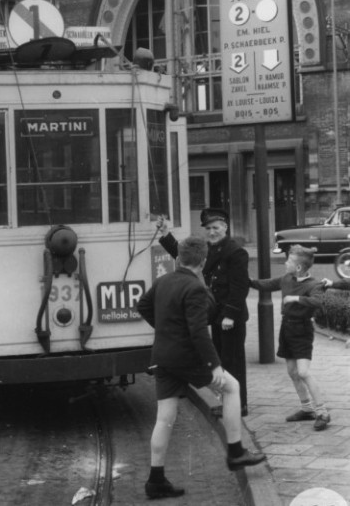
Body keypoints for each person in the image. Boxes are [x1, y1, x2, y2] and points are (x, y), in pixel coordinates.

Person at [137, 235, 265, 499]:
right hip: (187, 357)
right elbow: (198, 332)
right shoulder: (194, 288)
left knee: (164, 418)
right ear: (203, 261)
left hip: (162, 356)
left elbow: (143, 306)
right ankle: (235, 452)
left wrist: (166, 331)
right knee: (232, 387)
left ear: (178, 258)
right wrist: (214, 365)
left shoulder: (163, 281)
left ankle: (156, 480)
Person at [157, 208, 250, 416]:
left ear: (225, 227)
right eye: (208, 228)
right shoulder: (209, 248)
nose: (212, 232)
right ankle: (229, 403)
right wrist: (165, 234)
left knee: (233, 362)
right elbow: (186, 257)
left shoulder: (236, 252)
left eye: (215, 228)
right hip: (218, 316)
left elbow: (240, 287)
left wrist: (230, 315)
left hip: (230, 318)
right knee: (222, 361)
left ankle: (239, 405)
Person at [250, 244, 330, 431]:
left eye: (289, 261)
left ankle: (323, 412)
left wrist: (295, 299)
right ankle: (307, 409)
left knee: (303, 372)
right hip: (287, 328)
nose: (285, 263)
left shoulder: (314, 284)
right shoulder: (287, 278)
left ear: (299, 267)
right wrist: (248, 281)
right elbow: (267, 284)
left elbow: (318, 301)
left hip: (302, 330)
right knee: (292, 372)